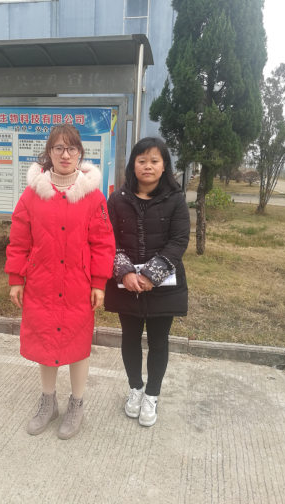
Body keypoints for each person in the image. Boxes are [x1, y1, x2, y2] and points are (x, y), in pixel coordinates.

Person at [5, 124, 115, 440]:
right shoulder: (32, 194)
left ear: (80, 153)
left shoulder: (93, 196)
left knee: (77, 343)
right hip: (41, 283)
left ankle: (76, 404)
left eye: (71, 148)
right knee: (45, 341)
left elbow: (103, 242)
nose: (65, 154)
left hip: (78, 285)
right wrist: (16, 278)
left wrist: (98, 283)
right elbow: (19, 239)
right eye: (58, 148)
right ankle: (48, 402)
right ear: (49, 153)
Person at [104, 137, 190, 427]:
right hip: (126, 285)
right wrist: (125, 272)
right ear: (133, 165)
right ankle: (135, 389)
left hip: (164, 286)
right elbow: (108, 239)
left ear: (164, 166)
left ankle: (152, 394)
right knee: (129, 338)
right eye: (142, 160)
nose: (148, 166)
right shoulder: (117, 200)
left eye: (154, 160)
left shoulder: (176, 199)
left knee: (158, 341)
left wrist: (151, 275)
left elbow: (179, 241)